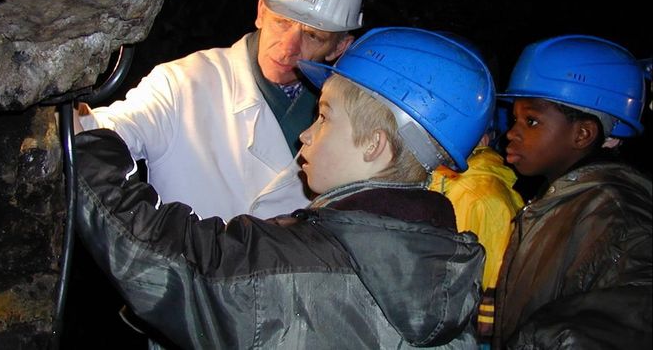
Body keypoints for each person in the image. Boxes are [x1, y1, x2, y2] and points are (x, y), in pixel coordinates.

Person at [72, 27, 497, 348]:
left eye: (326, 115)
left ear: (374, 145)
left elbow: (172, 260)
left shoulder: (306, 268)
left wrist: (85, 148)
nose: (305, 136)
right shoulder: (447, 274)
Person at [74, 0, 364, 220]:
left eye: (313, 36)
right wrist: (71, 120)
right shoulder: (184, 84)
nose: (288, 48)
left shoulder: (354, 122)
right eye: (282, 22)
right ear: (261, 10)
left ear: (340, 47)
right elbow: (105, 132)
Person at [492, 34, 653, 349]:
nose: (511, 132)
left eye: (532, 121)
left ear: (582, 133)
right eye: (515, 118)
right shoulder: (565, 198)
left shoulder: (615, 210)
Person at [429, 111, 523, 348]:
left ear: (482, 139)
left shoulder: (480, 195)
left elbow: (491, 287)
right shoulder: (446, 179)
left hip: (468, 332)